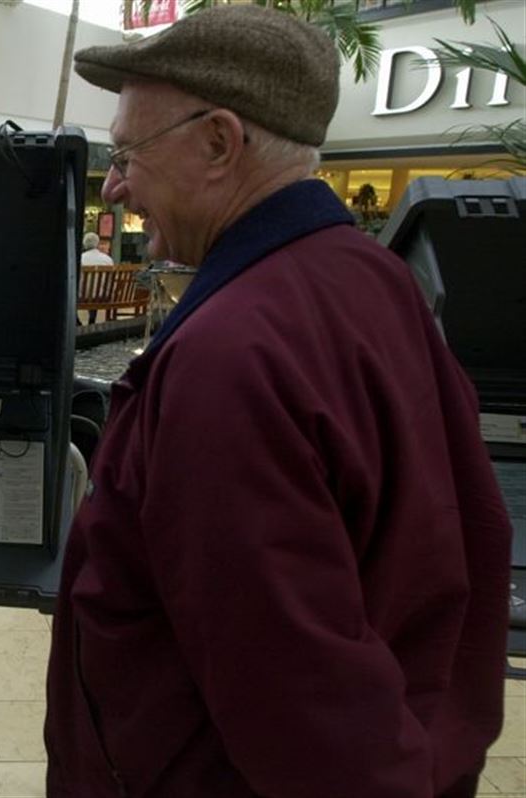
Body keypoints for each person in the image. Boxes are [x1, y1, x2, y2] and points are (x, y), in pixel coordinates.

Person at [44, 6, 512, 797]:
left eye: (128, 153)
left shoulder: (229, 356)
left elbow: (297, 690)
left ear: (220, 143)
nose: (116, 185)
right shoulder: (376, 279)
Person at [80, 231, 114, 324]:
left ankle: (77, 322)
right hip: (103, 296)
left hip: (82, 297)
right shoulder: (108, 259)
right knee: (95, 288)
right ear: (97, 243)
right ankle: (92, 318)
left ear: (84, 244)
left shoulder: (80, 259)